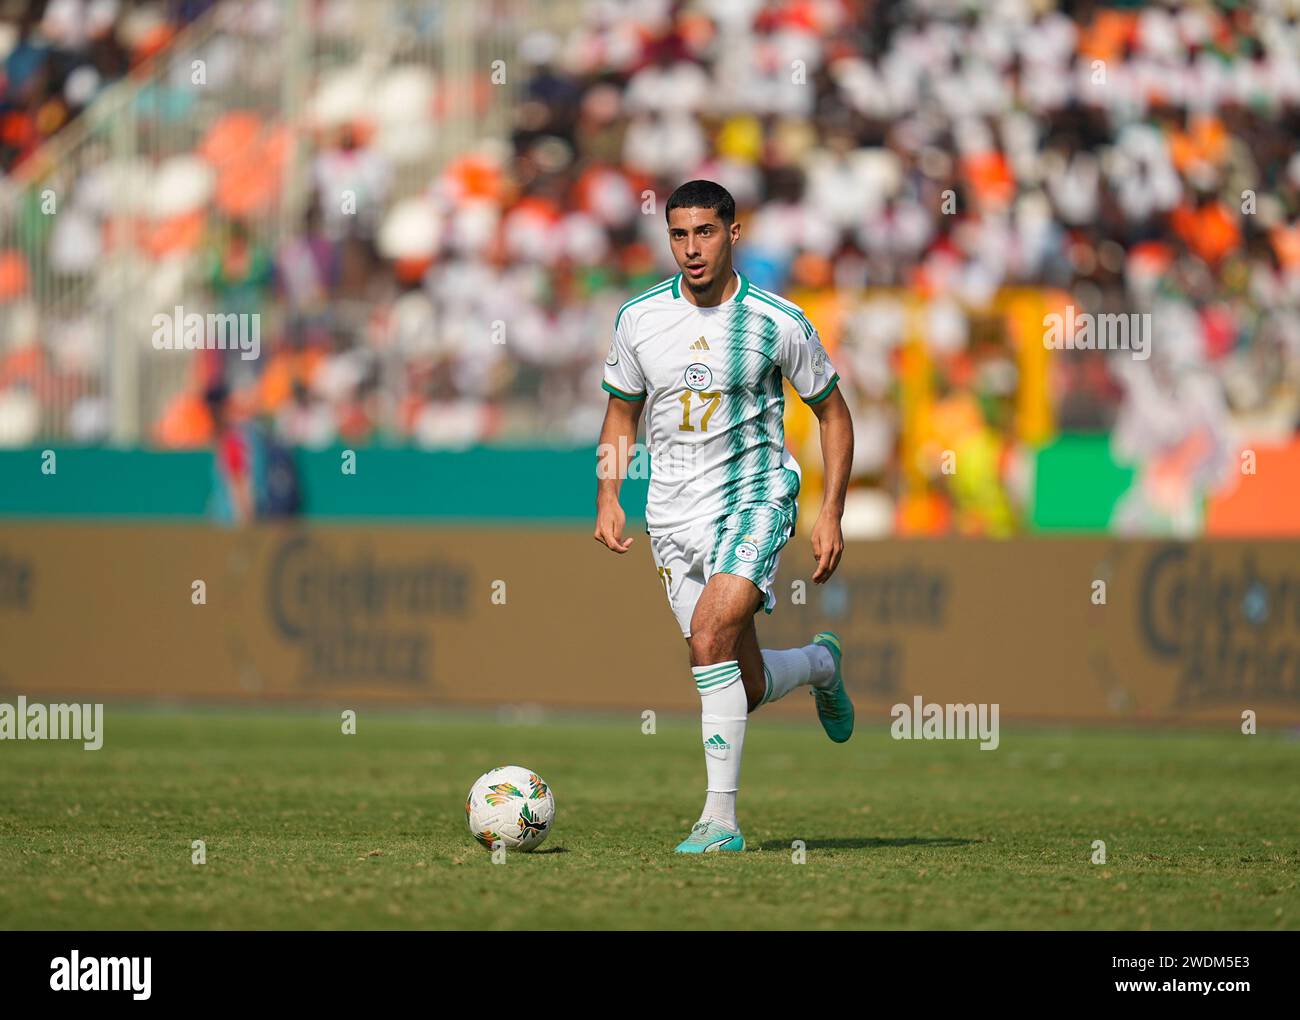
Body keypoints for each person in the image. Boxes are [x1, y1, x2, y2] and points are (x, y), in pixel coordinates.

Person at [593, 180, 856, 853]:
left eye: (704, 232)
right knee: (741, 676)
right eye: (678, 235)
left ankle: (720, 822)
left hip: (753, 497)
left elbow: (832, 411)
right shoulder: (639, 318)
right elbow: (622, 410)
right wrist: (608, 494)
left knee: (709, 639)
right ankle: (819, 667)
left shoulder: (778, 321)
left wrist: (830, 512)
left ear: (733, 233)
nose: (690, 248)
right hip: (671, 515)